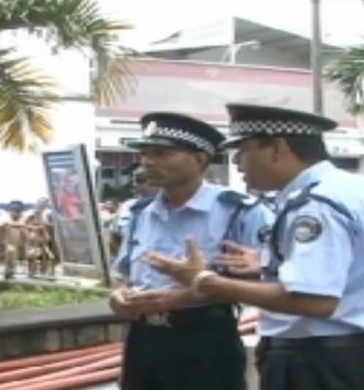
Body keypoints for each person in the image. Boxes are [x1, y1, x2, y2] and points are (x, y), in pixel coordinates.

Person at [144, 103, 364, 390]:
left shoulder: (314, 205)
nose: (236, 163)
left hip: (317, 359)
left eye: (243, 150)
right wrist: (266, 263)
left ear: (277, 149)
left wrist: (204, 280)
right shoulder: (348, 189)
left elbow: (316, 300)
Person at [108, 111, 274, 390]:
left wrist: (189, 294)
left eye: (162, 153)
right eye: (146, 153)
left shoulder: (239, 211)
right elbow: (124, 276)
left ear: (200, 160)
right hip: (143, 339)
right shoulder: (138, 213)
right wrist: (118, 297)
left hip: (205, 340)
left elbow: (270, 279)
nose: (148, 161)